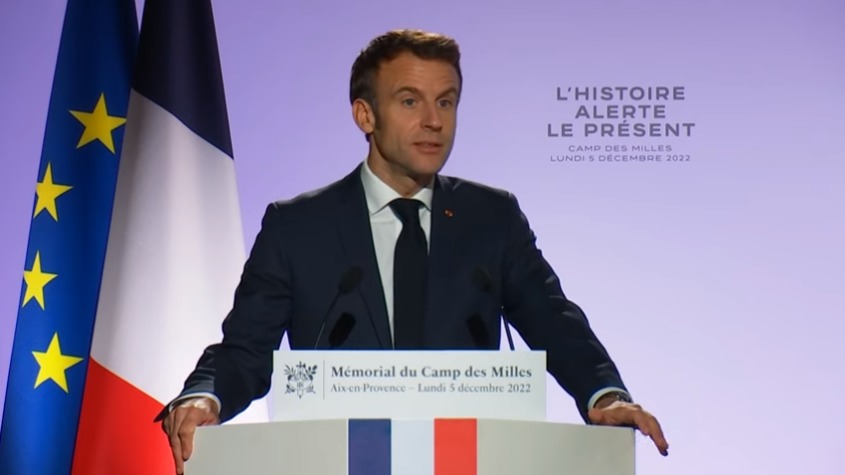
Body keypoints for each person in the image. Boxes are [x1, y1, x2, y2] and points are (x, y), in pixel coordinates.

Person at [160, 29, 669, 474]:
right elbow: (245, 350)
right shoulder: (298, 227)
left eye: (446, 102)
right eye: (410, 101)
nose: (433, 121)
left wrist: (605, 395)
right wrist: (206, 395)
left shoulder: (492, 219)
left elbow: (553, 320)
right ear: (365, 115)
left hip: (466, 462)